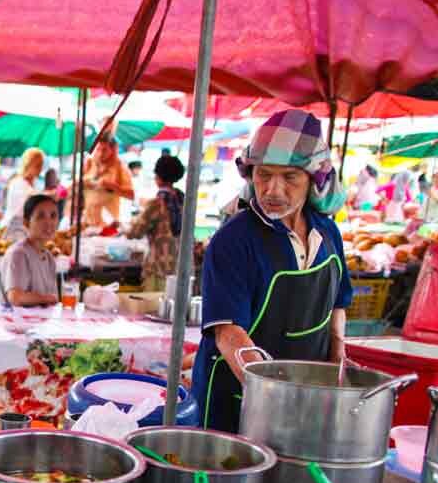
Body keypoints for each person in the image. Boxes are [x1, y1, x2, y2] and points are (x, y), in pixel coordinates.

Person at [193, 109, 353, 434]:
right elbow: (229, 333)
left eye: (290, 177)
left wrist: (338, 362)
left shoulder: (328, 233)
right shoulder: (234, 240)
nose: (273, 190)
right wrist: (274, 400)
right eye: (264, 175)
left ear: (314, 180)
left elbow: (338, 302)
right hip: (237, 398)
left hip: (305, 396)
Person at [126, 154, 186, 292]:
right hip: (181, 267)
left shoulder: (157, 203)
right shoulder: (184, 200)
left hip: (160, 266)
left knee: (154, 309)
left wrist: (123, 226)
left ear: (157, 176)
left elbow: (134, 232)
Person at [1, 194, 61, 307]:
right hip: (18, 323)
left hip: (40, 322)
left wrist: (50, 299)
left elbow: (51, 301)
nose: (48, 222)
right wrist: (48, 298)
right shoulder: (19, 254)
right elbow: (15, 297)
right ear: (26, 223)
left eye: (53, 216)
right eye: (40, 216)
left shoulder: (49, 257)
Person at [81, 129, 134, 226]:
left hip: (108, 224)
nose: (100, 153)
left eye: (104, 150)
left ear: (112, 150)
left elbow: (131, 195)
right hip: (88, 221)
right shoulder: (89, 163)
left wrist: (113, 187)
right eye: (98, 149)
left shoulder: (120, 167)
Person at [0, 147, 46, 241]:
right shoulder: (17, 183)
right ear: (28, 164)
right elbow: (32, 198)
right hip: (12, 230)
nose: (40, 169)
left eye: (41, 165)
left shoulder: (36, 184)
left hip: (26, 231)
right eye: (37, 165)